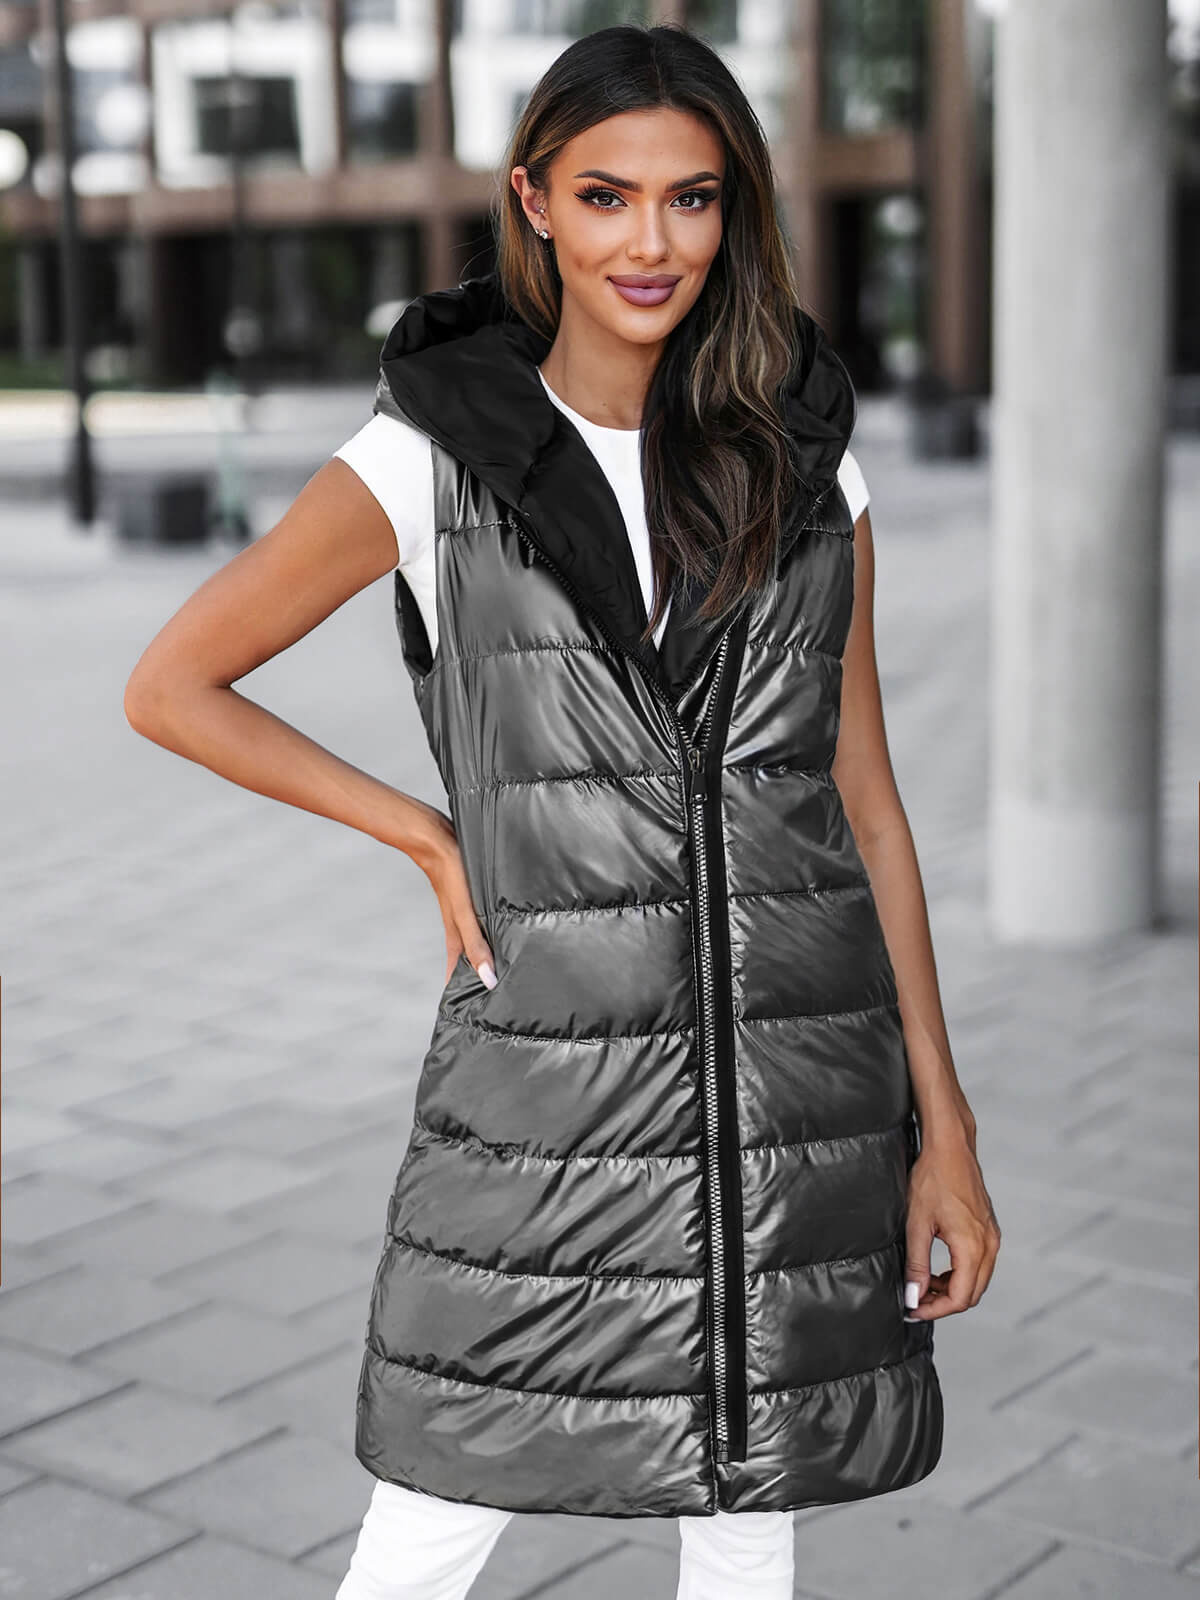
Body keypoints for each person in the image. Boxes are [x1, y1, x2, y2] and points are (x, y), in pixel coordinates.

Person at [124, 23, 1001, 1600]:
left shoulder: (809, 463)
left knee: (749, 1519)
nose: (649, 242)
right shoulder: (429, 457)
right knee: (429, 1521)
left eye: (691, 198)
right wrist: (422, 830)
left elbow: (866, 808)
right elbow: (173, 684)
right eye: (606, 196)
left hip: (794, 1109)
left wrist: (945, 1127)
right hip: (543, 1104)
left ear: (733, 212)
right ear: (534, 201)